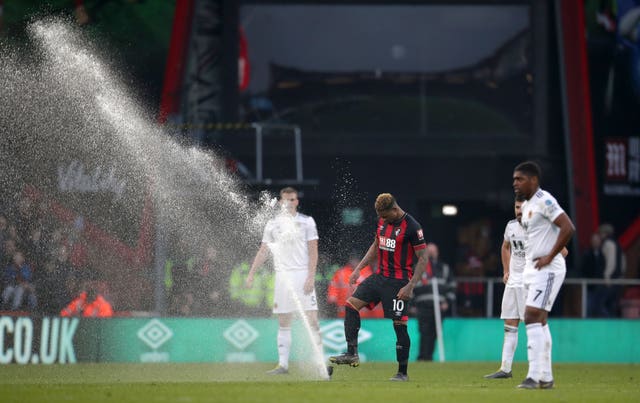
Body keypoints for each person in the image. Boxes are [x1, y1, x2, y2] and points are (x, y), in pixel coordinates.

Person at [329, 193, 429, 382]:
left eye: (385, 215)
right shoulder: (382, 221)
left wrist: (410, 286)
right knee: (350, 305)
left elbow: (423, 258)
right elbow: (376, 246)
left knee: (399, 326)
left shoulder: (413, 227)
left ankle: (402, 373)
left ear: (394, 209)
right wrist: (358, 269)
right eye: (380, 216)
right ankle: (352, 353)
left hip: (399, 282)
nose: (382, 219)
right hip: (379, 277)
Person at [245, 187, 327, 378]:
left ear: (297, 201)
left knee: (312, 320)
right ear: (280, 202)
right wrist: (251, 274)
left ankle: (320, 362)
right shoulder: (273, 224)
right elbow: (263, 250)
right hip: (282, 277)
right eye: (286, 200)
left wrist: (310, 276)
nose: (289, 203)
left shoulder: (307, 222)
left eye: (292, 200)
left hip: (302, 275)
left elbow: (313, 251)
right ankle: (283, 365)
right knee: (284, 321)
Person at [512, 161, 575, 389]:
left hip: (547, 269)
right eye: (514, 179)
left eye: (520, 179)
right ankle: (546, 378)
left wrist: (550, 256)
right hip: (532, 268)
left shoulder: (545, 200)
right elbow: (543, 235)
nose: (515, 183)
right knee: (540, 320)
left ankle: (533, 375)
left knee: (530, 316)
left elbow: (568, 227)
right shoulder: (527, 205)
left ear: (533, 180)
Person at [484, 195, 527, 379]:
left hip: (531, 283)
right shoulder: (511, 226)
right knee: (510, 324)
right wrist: (506, 270)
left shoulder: (540, 228)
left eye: (522, 207)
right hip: (513, 282)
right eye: (517, 207)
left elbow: (561, 251)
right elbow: (505, 247)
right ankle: (505, 369)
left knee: (534, 327)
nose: (519, 211)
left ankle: (540, 371)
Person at [412, 242, 455, 361]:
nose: (431, 254)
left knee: (435, 332)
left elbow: (452, 287)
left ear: (437, 253)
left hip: (439, 306)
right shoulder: (418, 268)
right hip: (423, 305)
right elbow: (411, 287)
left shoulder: (444, 268)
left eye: (433, 251)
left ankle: (429, 357)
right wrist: (412, 304)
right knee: (424, 332)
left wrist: (447, 302)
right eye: (429, 251)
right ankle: (422, 357)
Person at [593, 223, 626, 317]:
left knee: (601, 304)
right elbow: (623, 262)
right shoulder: (616, 243)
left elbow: (611, 261)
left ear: (604, 233)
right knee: (611, 304)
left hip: (610, 280)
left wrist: (607, 276)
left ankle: (607, 321)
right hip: (616, 279)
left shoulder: (608, 243)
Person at [581, 232, 605, 317]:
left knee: (599, 306)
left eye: (597, 241)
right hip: (589, 286)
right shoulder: (587, 254)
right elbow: (583, 269)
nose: (595, 242)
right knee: (588, 306)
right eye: (594, 241)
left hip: (599, 286)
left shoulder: (602, 255)